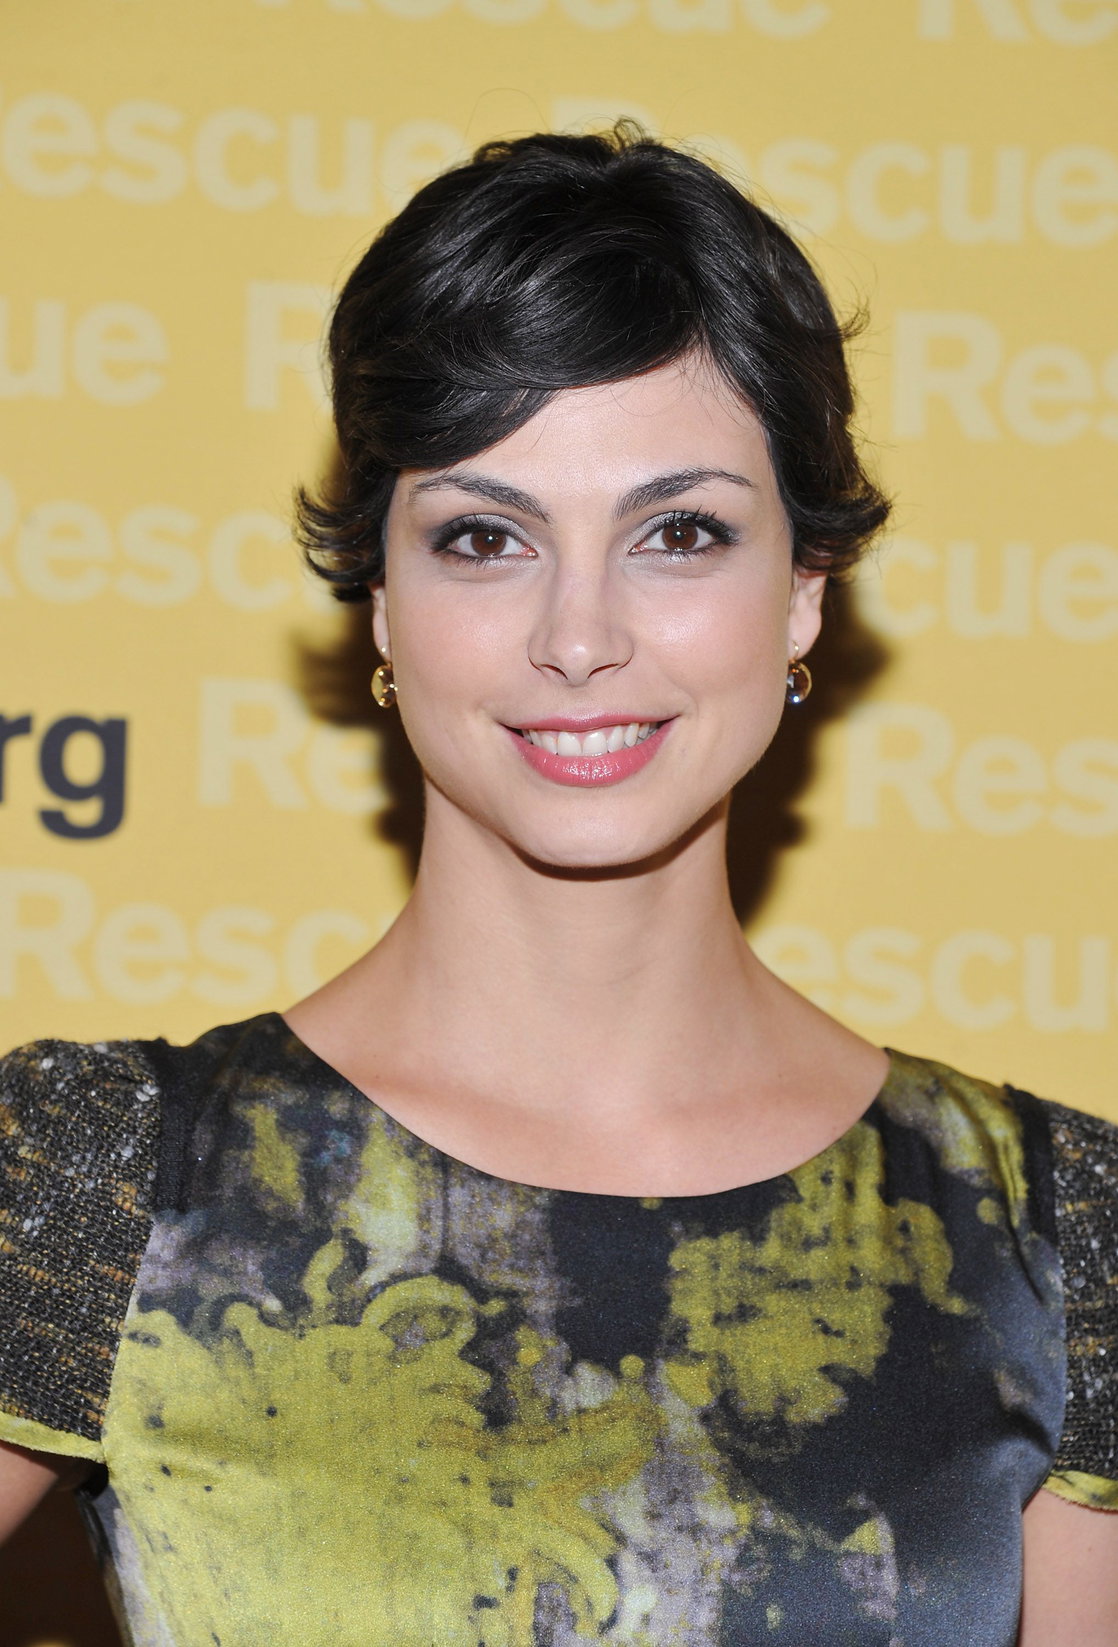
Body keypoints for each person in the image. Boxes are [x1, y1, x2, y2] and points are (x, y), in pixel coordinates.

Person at [0, 126, 1115, 1647]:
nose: (577, 637)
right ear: (380, 597)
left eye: (679, 533)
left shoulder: (1048, 1227)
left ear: (802, 589)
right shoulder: (111, 1172)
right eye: (484, 537)